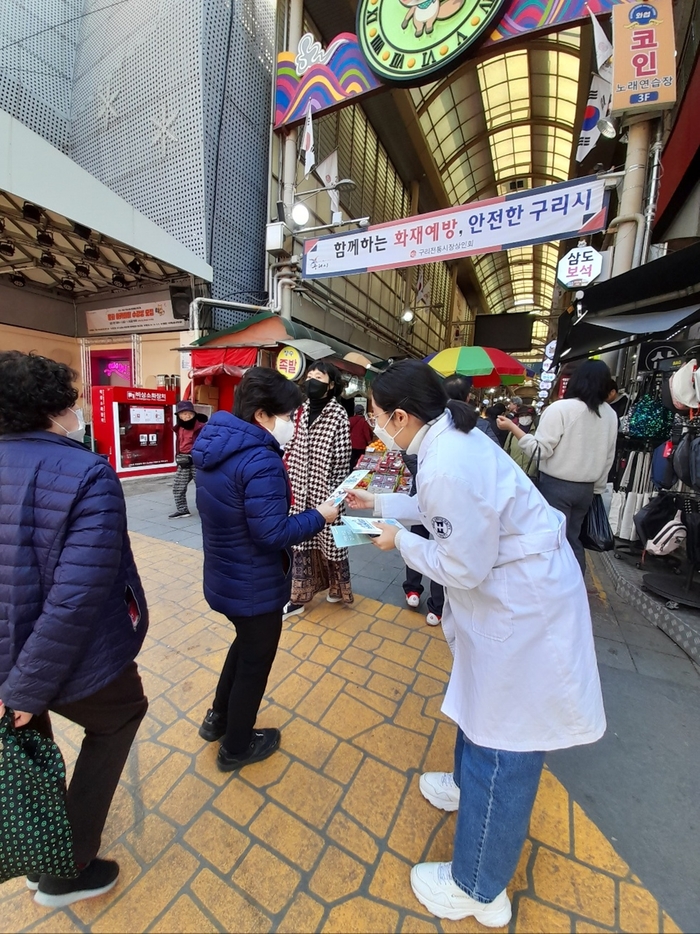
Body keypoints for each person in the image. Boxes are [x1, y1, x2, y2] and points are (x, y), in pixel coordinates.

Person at [346, 360, 605, 927]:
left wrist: (400, 544)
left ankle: (479, 887)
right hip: (510, 597)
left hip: (522, 607)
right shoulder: (448, 441)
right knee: (484, 710)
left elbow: (460, 565)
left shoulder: (448, 462)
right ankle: (467, 786)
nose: (372, 422)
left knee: (506, 738)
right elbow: (443, 511)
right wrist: (382, 507)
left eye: (373, 412)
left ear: (399, 415)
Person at [0, 351, 149, 907]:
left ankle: (42, 847)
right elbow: (76, 596)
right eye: (78, 396)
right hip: (75, 657)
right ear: (55, 407)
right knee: (119, 716)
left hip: (12, 655)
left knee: (25, 736)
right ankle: (67, 865)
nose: (82, 406)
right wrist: (27, 688)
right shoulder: (87, 473)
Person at [192, 367, 338, 771]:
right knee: (255, 661)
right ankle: (236, 746)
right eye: (288, 417)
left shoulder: (215, 446)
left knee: (244, 647)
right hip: (254, 584)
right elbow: (271, 533)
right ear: (261, 415)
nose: (292, 425)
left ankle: (218, 719)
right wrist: (320, 515)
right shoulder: (260, 460)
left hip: (226, 577)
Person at [497, 360, 617, 574]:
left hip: (556, 486)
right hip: (587, 489)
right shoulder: (609, 414)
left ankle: (552, 590)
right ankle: (575, 588)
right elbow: (609, 456)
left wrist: (513, 428)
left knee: (550, 541)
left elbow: (540, 451)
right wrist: (596, 490)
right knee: (573, 540)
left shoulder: (561, 408)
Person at [283, 361, 353, 618]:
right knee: (301, 541)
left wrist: (334, 498)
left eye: (318, 376)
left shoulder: (337, 414)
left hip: (327, 490)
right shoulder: (299, 410)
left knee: (331, 543)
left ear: (331, 384)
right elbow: (289, 446)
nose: (312, 379)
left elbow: (343, 459)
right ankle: (299, 597)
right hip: (299, 488)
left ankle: (336, 589)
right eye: (309, 375)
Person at [401, 376, 473, 625]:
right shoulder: (439, 435)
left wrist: (397, 539)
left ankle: (435, 602)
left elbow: (455, 559)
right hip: (428, 495)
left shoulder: (441, 464)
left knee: (439, 546)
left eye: (378, 416)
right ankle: (424, 597)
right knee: (425, 540)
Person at [170, 400, 207, 519]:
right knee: (177, 486)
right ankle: (182, 510)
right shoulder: (178, 428)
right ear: (179, 415)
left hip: (197, 462)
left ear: (194, 414)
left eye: (189, 413)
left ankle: (208, 511)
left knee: (203, 488)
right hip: (183, 461)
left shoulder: (201, 427)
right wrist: (178, 457)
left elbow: (206, 445)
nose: (187, 416)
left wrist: (194, 457)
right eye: (184, 414)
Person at [349, 404, 373, 469]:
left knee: (352, 459)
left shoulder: (350, 419)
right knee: (360, 460)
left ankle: (351, 471)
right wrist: (370, 442)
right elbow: (366, 433)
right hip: (361, 445)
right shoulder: (364, 421)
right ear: (362, 411)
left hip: (352, 444)